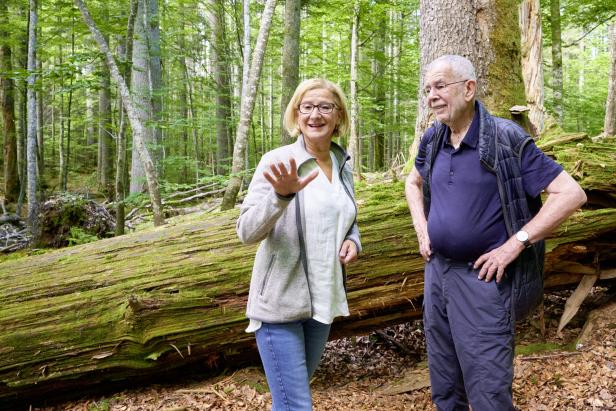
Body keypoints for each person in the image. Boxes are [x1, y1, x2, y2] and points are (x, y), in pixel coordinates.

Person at [405, 55, 587, 411]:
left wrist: (515, 244)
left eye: (441, 86)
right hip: (437, 274)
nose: (432, 96)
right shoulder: (433, 139)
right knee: (445, 387)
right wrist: (422, 229)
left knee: (488, 393)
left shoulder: (505, 138)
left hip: (483, 280)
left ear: (468, 88)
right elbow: (413, 182)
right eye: (428, 89)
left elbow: (571, 194)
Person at [236, 78, 360, 411]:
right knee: (296, 406)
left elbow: (345, 216)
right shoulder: (278, 161)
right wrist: (280, 196)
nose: (315, 115)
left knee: (289, 402)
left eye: (325, 107)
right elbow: (246, 231)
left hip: (323, 303)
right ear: (296, 114)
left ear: (338, 116)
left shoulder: (341, 163)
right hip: (280, 306)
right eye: (307, 107)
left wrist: (353, 240)